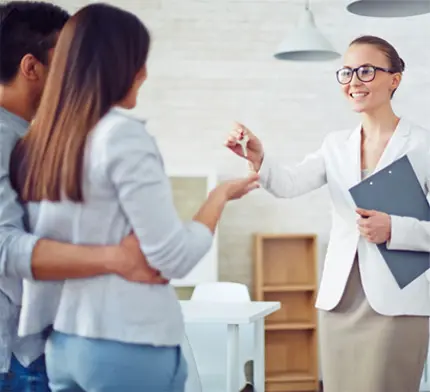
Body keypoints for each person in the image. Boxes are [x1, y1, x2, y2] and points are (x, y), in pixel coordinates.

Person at [9, 3, 259, 392]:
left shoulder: (38, 144)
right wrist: (219, 197)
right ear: (120, 65)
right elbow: (172, 258)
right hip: (126, 343)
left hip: (63, 345)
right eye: (139, 60)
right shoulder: (121, 136)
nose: (144, 73)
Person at [226, 35, 430, 392]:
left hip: (397, 303)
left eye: (366, 71)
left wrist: (394, 228)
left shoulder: (423, 145)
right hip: (340, 300)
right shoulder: (335, 144)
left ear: (394, 78)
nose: (353, 81)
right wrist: (259, 158)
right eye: (347, 72)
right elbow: (288, 184)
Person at [0, 2, 166, 391]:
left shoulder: (29, 137)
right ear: (31, 67)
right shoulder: (4, 138)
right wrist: (116, 259)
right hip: (16, 358)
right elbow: (4, 248)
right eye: (67, 57)